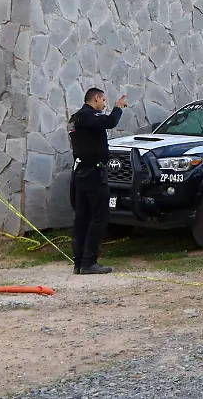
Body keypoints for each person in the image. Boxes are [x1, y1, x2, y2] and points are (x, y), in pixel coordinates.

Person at [68, 87, 126, 275]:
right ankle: (88, 262)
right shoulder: (86, 116)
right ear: (97, 98)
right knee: (99, 216)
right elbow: (110, 122)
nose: (104, 104)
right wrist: (118, 107)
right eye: (103, 101)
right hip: (92, 173)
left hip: (81, 172)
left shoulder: (76, 118)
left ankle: (79, 262)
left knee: (82, 217)